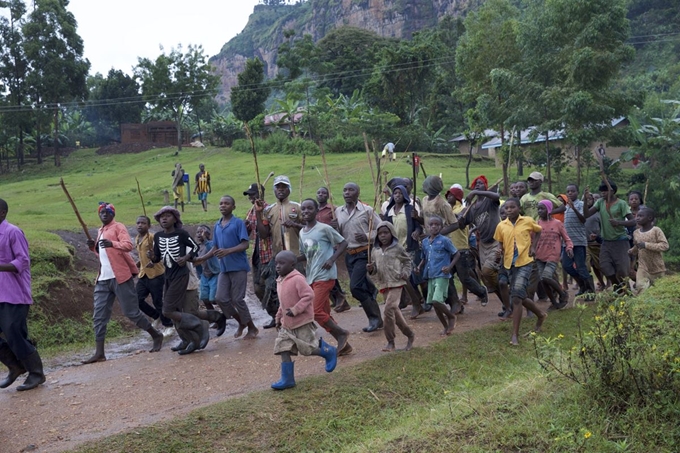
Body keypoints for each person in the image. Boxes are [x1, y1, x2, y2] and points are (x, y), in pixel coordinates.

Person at [83, 202, 163, 364]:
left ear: (113, 214)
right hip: (103, 279)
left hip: (120, 277)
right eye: (101, 212)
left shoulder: (118, 227)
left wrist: (112, 243)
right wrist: (94, 248)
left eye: (107, 212)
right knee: (99, 316)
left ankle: (156, 334)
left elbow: (127, 246)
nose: (104, 214)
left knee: (131, 312)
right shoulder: (100, 230)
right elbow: (103, 255)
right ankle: (100, 352)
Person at [151, 206, 224, 355]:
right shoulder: (158, 237)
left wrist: (185, 258)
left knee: (172, 310)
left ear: (175, 219)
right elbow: (157, 257)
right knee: (178, 311)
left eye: (168, 216)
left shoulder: (182, 234)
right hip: (169, 276)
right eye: (161, 217)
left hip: (184, 276)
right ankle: (189, 339)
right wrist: (152, 257)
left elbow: (194, 248)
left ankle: (200, 327)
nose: (164, 219)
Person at [270, 251, 337, 391]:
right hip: (286, 324)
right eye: (276, 263)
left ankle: (327, 351)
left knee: (307, 349)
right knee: (283, 347)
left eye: (282, 263)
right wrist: (278, 317)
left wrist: (296, 310)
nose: (278, 266)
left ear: (293, 265)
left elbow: (308, 295)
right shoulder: (280, 280)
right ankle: (287, 379)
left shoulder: (297, 279)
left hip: (302, 322)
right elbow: (283, 303)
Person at [0, 198, 45, 391]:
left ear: (2, 213)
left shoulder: (13, 232)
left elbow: (23, 261)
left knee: (13, 332)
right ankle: (15, 366)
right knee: (11, 333)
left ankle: (36, 373)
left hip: (15, 293)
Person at [298, 198, 352, 356]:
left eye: (310, 208)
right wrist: (291, 259)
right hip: (312, 276)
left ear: (316, 211)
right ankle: (344, 344)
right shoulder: (302, 232)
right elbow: (306, 254)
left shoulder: (324, 228)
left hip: (325, 275)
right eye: (304, 208)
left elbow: (343, 243)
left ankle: (342, 333)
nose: (306, 211)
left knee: (315, 311)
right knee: (324, 315)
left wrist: (331, 259)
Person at [493, 198, 546, 346]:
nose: (509, 210)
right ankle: (540, 314)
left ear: (518, 208)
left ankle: (514, 335)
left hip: (525, 262)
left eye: (512, 207)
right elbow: (501, 243)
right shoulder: (501, 226)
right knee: (520, 296)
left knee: (516, 297)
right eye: (506, 208)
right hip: (509, 263)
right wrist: (499, 251)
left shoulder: (528, 221)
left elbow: (539, 231)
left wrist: (534, 246)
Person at [255, 175, 303, 329]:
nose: (281, 190)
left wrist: (295, 224)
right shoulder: (268, 211)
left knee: (297, 290)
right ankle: (279, 318)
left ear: (289, 189)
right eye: (278, 187)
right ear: (274, 190)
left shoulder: (298, 207)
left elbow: (308, 228)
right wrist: (258, 213)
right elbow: (263, 234)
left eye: (284, 187)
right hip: (278, 258)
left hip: (296, 256)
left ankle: (301, 321)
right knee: (273, 289)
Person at [336, 182, 384, 332]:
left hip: (364, 253)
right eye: (345, 190)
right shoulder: (338, 211)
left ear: (358, 193)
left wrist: (367, 236)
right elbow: (339, 234)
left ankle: (375, 318)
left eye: (351, 190)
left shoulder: (367, 210)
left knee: (355, 287)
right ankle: (372, 291)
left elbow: (383, 229)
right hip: (349, 254)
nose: (347, 192)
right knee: (361, 285)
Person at [213, 195, 260, 340]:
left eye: (227, 203)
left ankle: (252, 327)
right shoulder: (217, 225)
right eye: (221, 203)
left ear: (233, 207)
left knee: (237, 299)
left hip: (238, 266)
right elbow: (215, 246)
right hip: (224, 268)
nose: (223, 206)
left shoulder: (238, 223)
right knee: (220, 298)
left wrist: (228, 250)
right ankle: (242, 322)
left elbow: (245, 244)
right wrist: (201, 258)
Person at [463, 175, 510, 317]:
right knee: (487, 277)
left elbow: (496, 195)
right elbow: (464, 222)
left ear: (485, 186)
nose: (477, 185)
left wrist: (477, 193)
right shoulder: (472, 208)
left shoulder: (490, 201)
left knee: (489, 271)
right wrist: (461, 217)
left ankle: (509, 297)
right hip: (483, 244)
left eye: (480, 183)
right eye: (475, 184)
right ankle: (507, 304)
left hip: (497, 241)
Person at [367, 221, 415, 352]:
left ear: (392, 233)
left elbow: (407, 261)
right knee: (395, 312)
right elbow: (375, 269)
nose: (383, 236)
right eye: (380, 233)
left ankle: (390, 341)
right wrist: (371, 269)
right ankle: (410, 334)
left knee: (388, 309)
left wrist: (405, 272)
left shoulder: (397, 248)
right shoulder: (375, 250)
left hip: (397, 282)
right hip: (384, 284)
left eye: (386, 232)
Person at [584, 180, 636, 291]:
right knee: (605, 267)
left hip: (620, 241)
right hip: (606, 242)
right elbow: (586, 214)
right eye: (601, 191)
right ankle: (619, 288)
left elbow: (633, 221)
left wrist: (619, 223)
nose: (603, 193)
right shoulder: (600, 203)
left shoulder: (621, 203)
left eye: (605, 190)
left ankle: (625, 291)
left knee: (622, 270)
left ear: (612, 191)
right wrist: (585, 200)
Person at [383, 183, 425, 318]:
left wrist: (417, 232)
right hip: (396, 249)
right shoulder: (389, 212)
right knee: (404, 278)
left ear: (405, 195)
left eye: (400, 193)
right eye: (395, 193)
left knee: (415, 277)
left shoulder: (409, 209)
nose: (397, 195)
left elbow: (419, 226)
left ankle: (422, 301)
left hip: (410, 247)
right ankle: (416, 303)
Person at [446, 186, 488, 311]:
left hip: (461, 248)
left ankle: (481, 292)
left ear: (457, 197)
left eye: (451, 195)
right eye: (447, 195)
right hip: (448, 249)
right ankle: (455, 303)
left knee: (464, 278)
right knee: (446, 277)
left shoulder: (464, 209)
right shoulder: (447, 209)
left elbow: (461, 223)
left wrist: (459, 218)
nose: (448, 197)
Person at [416, 216, 460, 335]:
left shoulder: (444, 240)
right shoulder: (425, 242)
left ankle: (451, 317)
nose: (434, 227)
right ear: (427, 227)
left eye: (437, 224)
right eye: (431, 225)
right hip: (430, 275)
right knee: (435, 304)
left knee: (436, 301)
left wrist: (449, 267)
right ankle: (445, 327)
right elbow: (424, 258)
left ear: (441, 227)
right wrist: (419, 266)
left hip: (442, 274)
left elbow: (456, 254)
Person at [552, 184, 595, 297]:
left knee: (581, 267)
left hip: (579, 242)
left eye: (572, 191)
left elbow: (583, 219)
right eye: (568, 191)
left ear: (577, 192)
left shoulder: (580, 204)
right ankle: (583, 286)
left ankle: (590, 292)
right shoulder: (565, 207)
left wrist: (574, 209)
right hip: (567, 243)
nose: (570, 193)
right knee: (567, 266)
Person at [134, 215, 174, 335]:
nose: (140, 225)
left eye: (143, 223)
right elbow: (142, 255)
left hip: (156, 274)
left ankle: (168, 325)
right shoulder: (137, 238)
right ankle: (156, 316)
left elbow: (161, 252)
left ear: (149, 226)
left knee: (158, 301)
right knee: (136, 299)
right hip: (143, 274)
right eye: (138, 223)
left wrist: (153, 259)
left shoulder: (152, 237)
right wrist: (139, 263)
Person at [315, 186, 350, 313]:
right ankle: (338, 299)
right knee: (324, 273)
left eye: (324, 193)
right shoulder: (314, 210)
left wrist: (334, 226)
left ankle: (340, 298)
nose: (321, 194)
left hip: (331, 245)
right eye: (318, 192)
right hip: (319, 247)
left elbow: (339, 227)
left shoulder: (333, 210)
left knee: (327, 271)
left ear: (328, 195)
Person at [534, 200, 573, 310]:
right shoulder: (537, 224)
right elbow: (532, 239)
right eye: (538, 209)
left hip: (552, 255)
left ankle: (562, 293)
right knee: (543, 280)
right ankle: (554, 302)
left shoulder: (557, 224)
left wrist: (569, 248)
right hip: (539, 256)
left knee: (546, 276)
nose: (539, 211)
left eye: (542, 208)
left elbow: (567, 239)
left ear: (549, 209)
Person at [243, 183, 273, 309]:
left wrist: (259, 214)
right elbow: (247, 232)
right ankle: (272, 312)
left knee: (268, 286)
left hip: (267, 253)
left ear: (260, 194)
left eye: (253, 195)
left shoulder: (268, 210)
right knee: (257, 288)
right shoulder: (251, 212)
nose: (250, 198)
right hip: (256, 253)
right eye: (249, 195)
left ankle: (275, 314)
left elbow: (264, 234)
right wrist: (244, 226)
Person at [628, 207, 668, 292]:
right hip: (643, 266)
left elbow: (665, 246)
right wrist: (632, 251)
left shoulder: (656, 230)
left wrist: (646, 245)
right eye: (637, 216)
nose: (637, 218)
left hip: (657, 267)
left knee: (659, 291)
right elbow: (638, 246)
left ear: (649, 218)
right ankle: (641, 304)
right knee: (640, 288)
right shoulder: (636, 233)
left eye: (641, 216)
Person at [193, 225, 221, 315]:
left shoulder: (211, 244)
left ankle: (228, 308)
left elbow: (211, 250)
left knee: (214, 299)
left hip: (214, 274)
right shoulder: (196, 247)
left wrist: (205, 239)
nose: (199, 234)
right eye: (198, 232)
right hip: (204, 275)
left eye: (202, 232)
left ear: (208, 235)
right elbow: (196, 262)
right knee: (204, 298)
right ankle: (214, 317)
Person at [584, 193, 607, 291]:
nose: (588, 201)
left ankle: (608, 282)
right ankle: (589, 289)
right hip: (584, 243)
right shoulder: (581, 213)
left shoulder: (598, 213)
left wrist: (599, 237)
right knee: (587, 266)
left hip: (596, 243)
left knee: (599, 266)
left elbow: (603, 228)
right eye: (586, 199)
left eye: (590, 199)